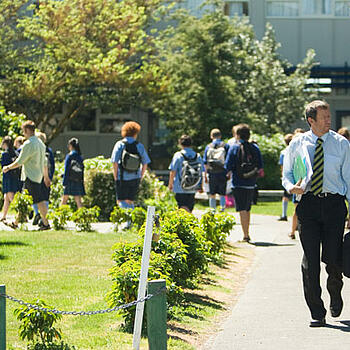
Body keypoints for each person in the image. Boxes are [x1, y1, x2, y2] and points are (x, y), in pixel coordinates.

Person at [282, 100, 350, 327]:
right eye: (324, 118)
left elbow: (349, 180)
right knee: (310, 260)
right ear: (311, 120)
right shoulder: (298, 144)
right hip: (308, 205)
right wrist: (291, 187)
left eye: (329, 116)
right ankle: (316, 310)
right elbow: (288, 174)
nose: (329, 120)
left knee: (333, 258)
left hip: (334, 205)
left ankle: (335, 291)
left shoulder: (341, 144)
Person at [2, 120, 51, 230]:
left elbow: (20, 161)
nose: (23, 134)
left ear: (27, 130)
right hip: (38, 176)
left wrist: (8, 167)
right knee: (26, 199)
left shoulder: (28, 144)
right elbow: (44, 162)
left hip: (30, 176)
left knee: (38, 200)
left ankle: (46, 223)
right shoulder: (41, 144)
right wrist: (46, 177)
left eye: (24, 131)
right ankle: (16, 222)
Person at [225, 124, 263, 242]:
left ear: (237, 135)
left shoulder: (234, 148)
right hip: (251, 182)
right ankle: (247, 232)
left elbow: (228, 165)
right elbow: (260, 165)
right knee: (247, 207)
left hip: (238, 182)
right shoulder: (255, 147)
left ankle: (245, 235)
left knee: (241, 208)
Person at [111, 121, 150, 211]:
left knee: (120, 200)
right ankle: (131, 218)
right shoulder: (139, 146)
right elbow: (145, 163)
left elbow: (115, 162)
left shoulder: (119, 144)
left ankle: (127, 219)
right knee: (130, 200)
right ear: (135, 133)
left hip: (122, 176)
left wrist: (116, 176)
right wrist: (141, 175)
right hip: (135, 177)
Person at [168, 135, 204, 213]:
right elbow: (201, 172)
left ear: (180, 144)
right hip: (193, 186)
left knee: (181, 207)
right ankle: (189, 222)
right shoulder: (197, 156)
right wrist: (200, 186)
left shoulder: (178, 155)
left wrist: (170, 184)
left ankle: (185, 223)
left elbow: (173, 171)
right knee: (189, 207)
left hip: (180, 186)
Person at [203, 128, 229, 211]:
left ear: (211, 136)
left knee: (212, 194)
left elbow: (205, 162)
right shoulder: (225, 146)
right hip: (223, 172)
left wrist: (205, 175)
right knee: (222, 194)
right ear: (220, 136)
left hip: (212, 172)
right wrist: (229, 173)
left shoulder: (208, 147)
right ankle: (222, 210)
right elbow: (228, 160)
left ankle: (212, 210)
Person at [32, 132, 55, 225]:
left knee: (36, 195)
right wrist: (50, 176)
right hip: (47, 175)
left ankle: (37, 213)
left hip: (37, 175)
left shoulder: (36, 150)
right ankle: (44, 217)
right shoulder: (49, 151)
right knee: (45, 196)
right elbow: (52, 165)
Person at [0, 136, 21, 221]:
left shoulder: (5, 154)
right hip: (15, 177)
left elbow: (3, 166)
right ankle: (3, 216)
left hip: (8, 178)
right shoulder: (16, 153)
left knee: (11, 197)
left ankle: (21, 213)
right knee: (6, 198)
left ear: (5, 144)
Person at [61, 138, 85, 209]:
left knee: (64, 199)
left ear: (71, 145)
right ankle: (82, 215)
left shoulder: (69, 156)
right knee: (78, 200)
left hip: (69, 180)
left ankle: (61, 215)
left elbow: (67, 170)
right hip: (77, 180)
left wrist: (64, 182)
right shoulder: (79, 156)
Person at [278, 133, 293, 222]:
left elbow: (282, 166)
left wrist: (282, 175)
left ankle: (284, 214)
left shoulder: (283, 152)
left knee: (285, 196)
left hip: (287, 176)